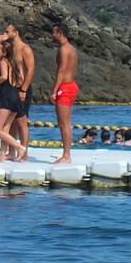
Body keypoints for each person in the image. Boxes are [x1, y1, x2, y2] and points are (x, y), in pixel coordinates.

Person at [50, 21, 80, 164]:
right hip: (72, 85)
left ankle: (66, 155)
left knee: (64, 123)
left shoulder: (63, 49)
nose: (52, 35)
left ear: (60, 33)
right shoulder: (72, 49)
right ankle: (67, 154)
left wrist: (54, 91)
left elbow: (61, 70)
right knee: (67, 123)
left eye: (53, 32)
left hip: (65, 87)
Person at [4, 24, 35, 160]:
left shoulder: (25, 49)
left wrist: (24, 89)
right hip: (11, 87)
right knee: (10, 120)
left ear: (15, 33)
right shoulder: (10, 48)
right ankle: (12, 152)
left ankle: (24, 153)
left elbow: (31, 70)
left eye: (7, 31)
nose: (5, 33)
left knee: (22, 121)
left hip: (22, 88)